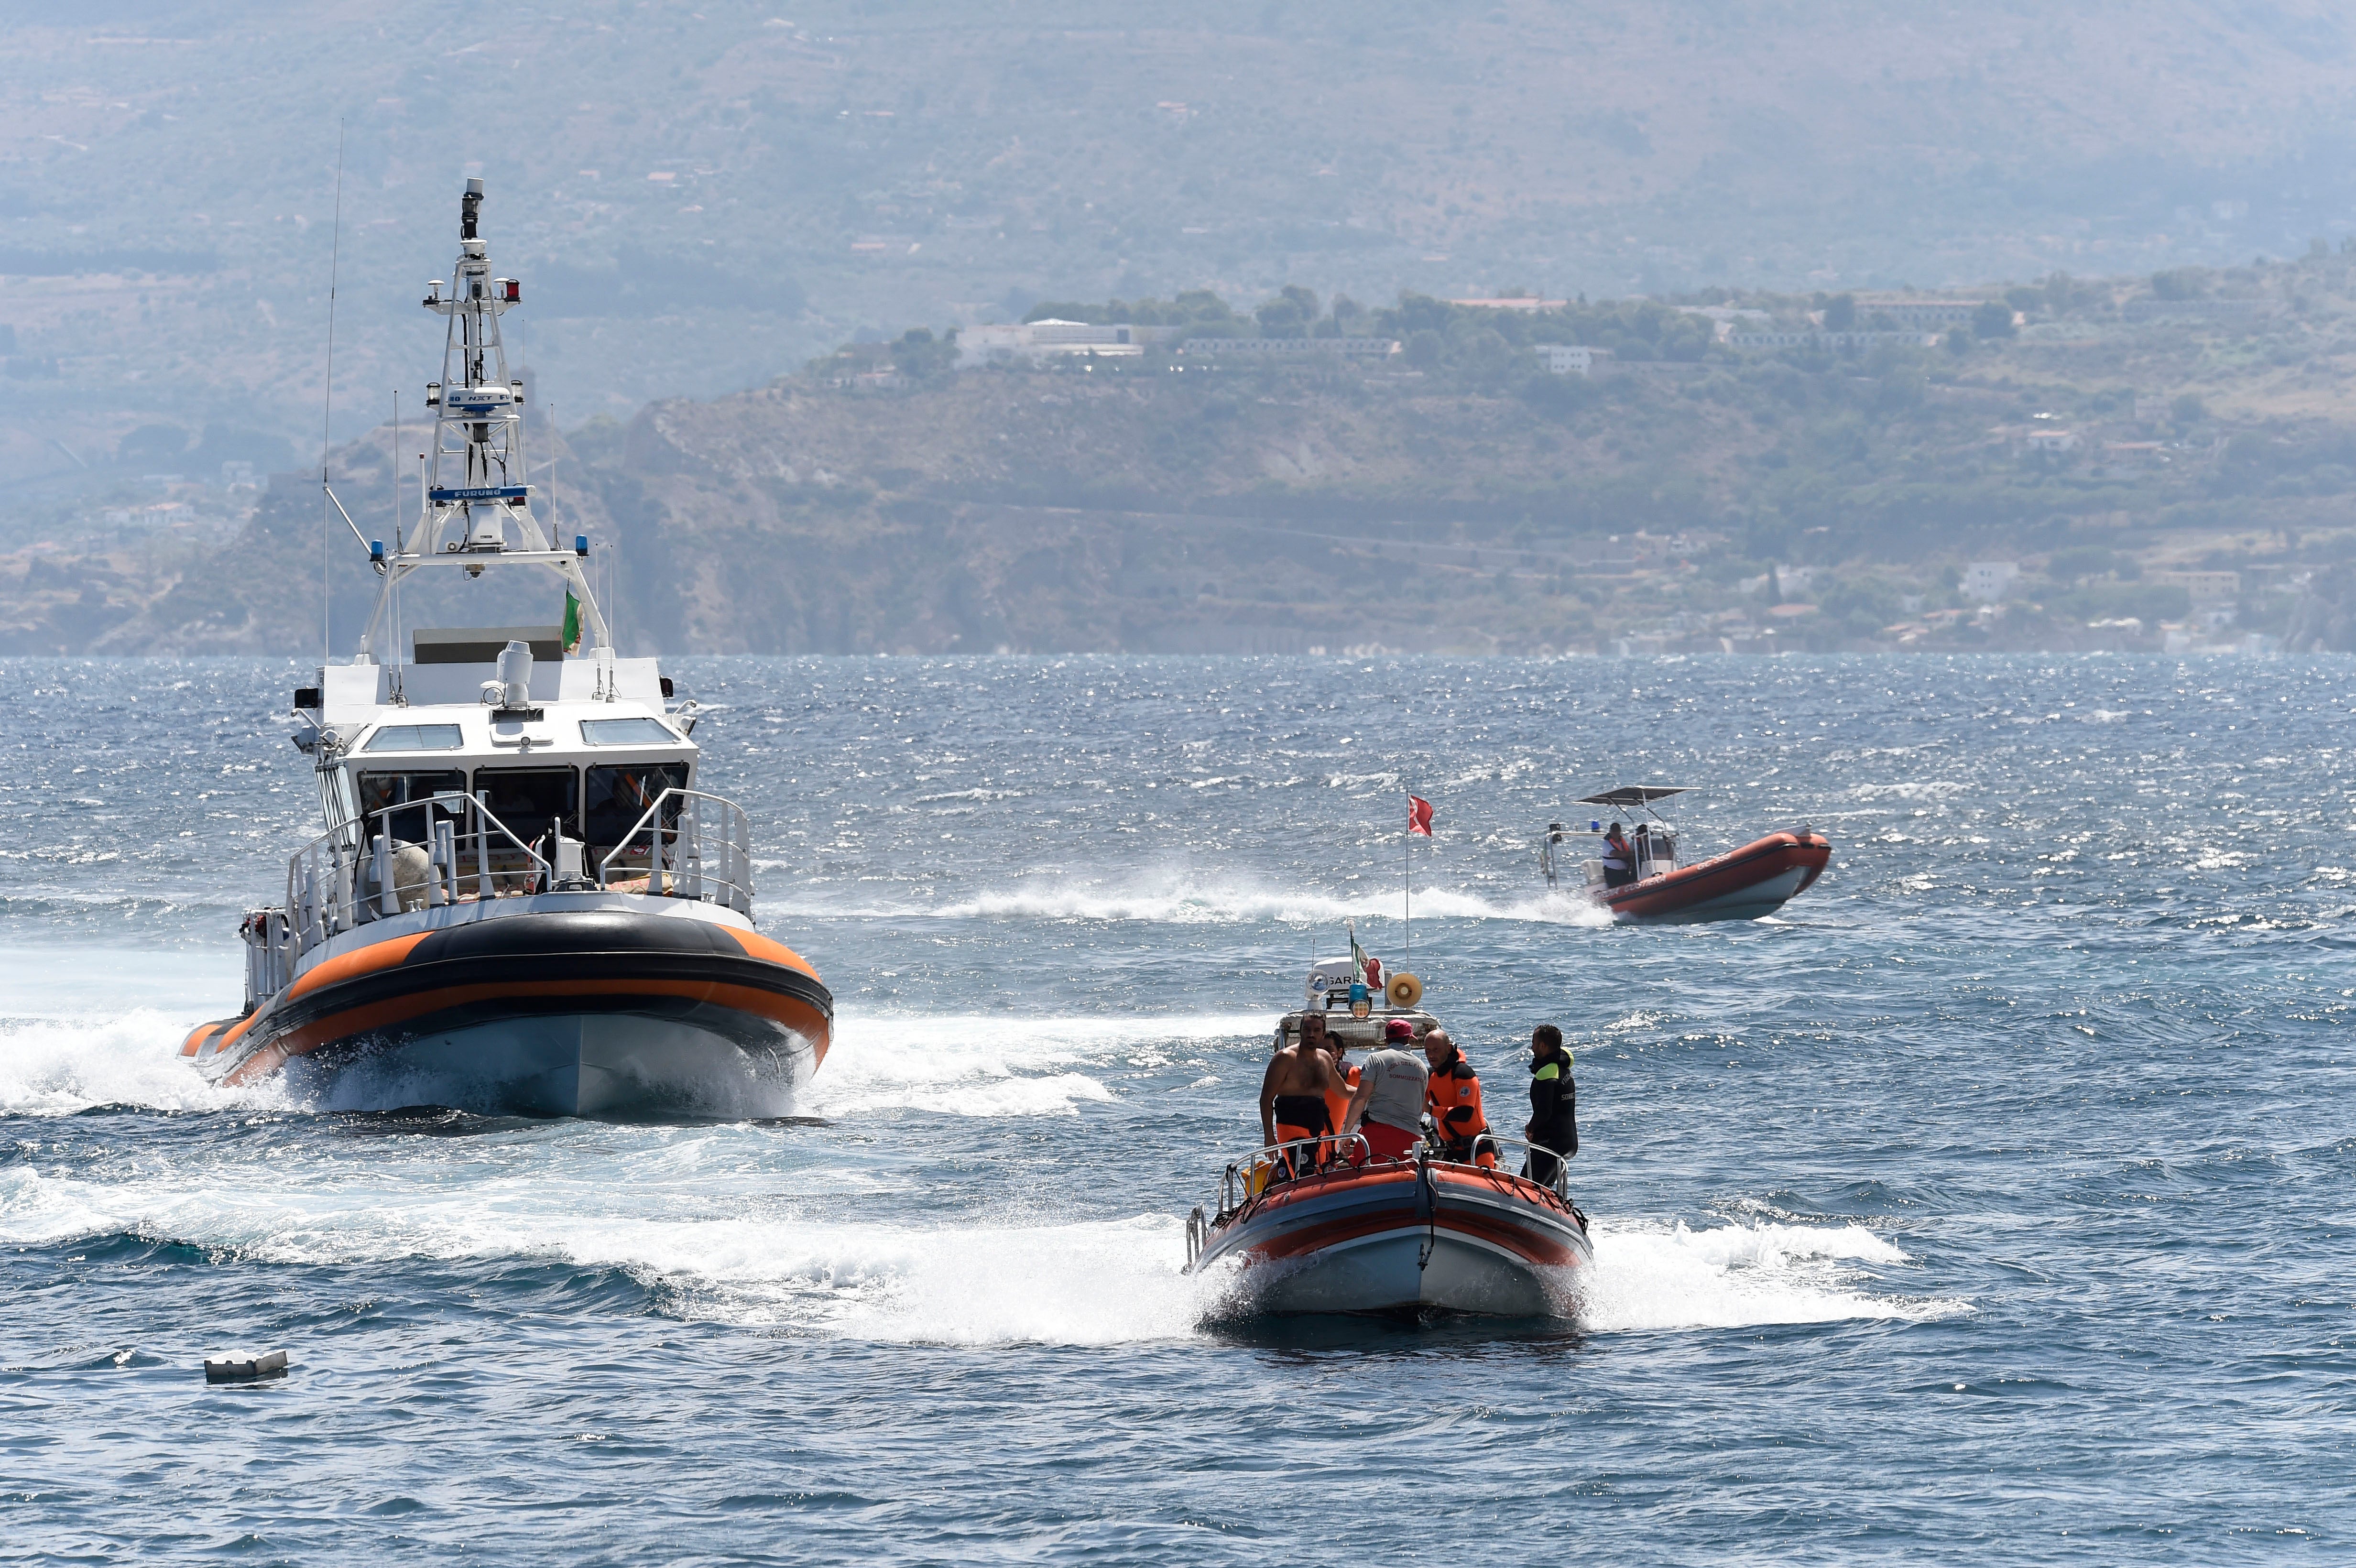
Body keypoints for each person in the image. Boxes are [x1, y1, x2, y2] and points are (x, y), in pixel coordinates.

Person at [1259, 1013, 1345, 1178]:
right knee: (1305, 1177)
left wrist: (1371, 1089)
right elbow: (1266, 1099)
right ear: (1301, 1031)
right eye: (1307, 1029)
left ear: (1323, 1033)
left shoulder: (1325, 1058)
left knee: (1322, 1175)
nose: (1311, 1034)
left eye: (1316, 1030)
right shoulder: (1285, 1058)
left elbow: (1343, 1091)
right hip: (1292, 1129)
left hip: (1318, 1130)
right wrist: (1269, 1137)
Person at [1341, 1018, 1429, 1164]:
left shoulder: (1376, 1059)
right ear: (1409, 1039)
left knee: (1363, 1173)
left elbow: (1361, 1097)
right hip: (1410, 1138)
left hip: (1377, 1135)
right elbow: (1421, 1109)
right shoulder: (1422, 1068)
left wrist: (1347, 1134)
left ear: (1386, 1040)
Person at [1421, 1027, 1494, 1168]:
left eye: (1436, 1050)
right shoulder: (1430, 1076)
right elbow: (1418, 1106)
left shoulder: (1463, 1073)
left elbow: (1465, 1114)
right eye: (1428, 1051)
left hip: (1476, 1150)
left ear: (1448, 1049)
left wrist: (1431, 1110)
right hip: (1451, 1150)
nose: (1431, 1055)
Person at [1521, 1024, 1578, 1188]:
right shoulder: (1564, 1070)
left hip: (1550, 1143)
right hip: (1567, 1142)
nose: (1532, 1047)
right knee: (1542, 1191)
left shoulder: (1547, 1074)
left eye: (1534, 1043)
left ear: (1543, 1046)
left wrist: (1530, 1129)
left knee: (1525, 1188)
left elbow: (1544, 1113)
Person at [1600, 823, 1635, 888]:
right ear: (1610, 832)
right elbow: (1616, 854)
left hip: (1624, 872)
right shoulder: (1606, 844)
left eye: (1617, 831)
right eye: (1614, 831)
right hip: (1613, 873)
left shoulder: (1622, 843)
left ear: (1620, 831)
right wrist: (1630, 853)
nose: (1615, 833)